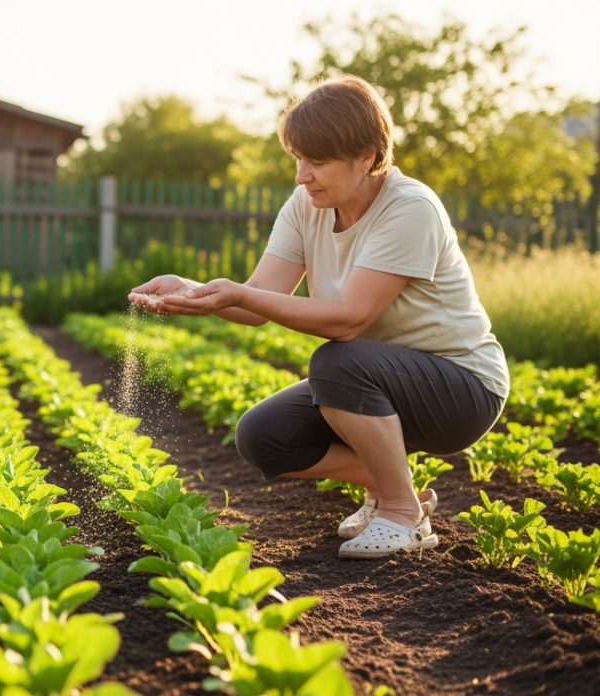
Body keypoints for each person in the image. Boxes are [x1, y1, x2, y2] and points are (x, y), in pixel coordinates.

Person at [128, 74, 508, 560]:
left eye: (318, 161)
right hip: (383, 380)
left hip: (463, 387)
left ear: (367, 158)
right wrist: (195, 291)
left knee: (336, 360)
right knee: (263, 435)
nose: (301, 175)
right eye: (298, 159)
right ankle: (391, 484)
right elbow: (260, 297)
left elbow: (348, 320)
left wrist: (235, 294)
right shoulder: (306, 204)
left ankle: (401, 513)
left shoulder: (410, 208)